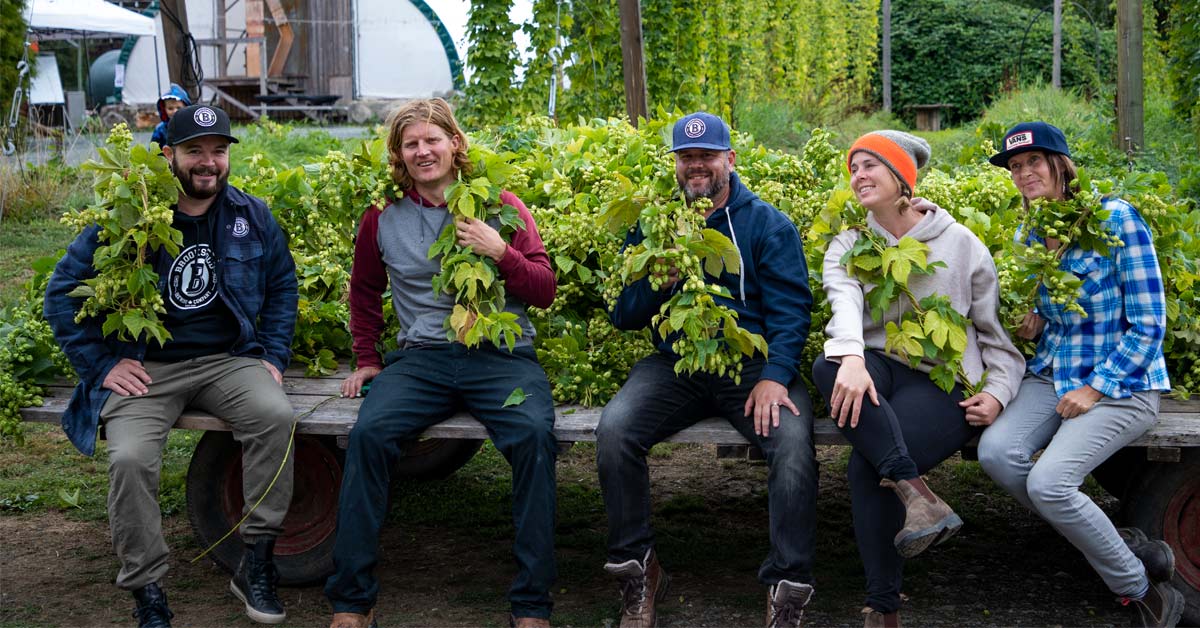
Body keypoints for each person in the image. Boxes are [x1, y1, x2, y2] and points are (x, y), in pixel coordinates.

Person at [44, 104, 299, 628]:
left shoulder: (251, 216)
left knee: (275, 417)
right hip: (147, 367)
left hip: (228, 360)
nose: (208, 162)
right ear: (168, 156)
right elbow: (61, 293)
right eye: (194, 152)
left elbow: (282, 287)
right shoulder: (129, 218)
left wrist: (272, 355)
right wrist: (101, 364)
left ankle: (255, 564)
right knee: (131, 459)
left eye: (218, 151)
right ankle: (148, 589)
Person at [324, 98, 559, 628]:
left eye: (433, 139)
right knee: (370, 435)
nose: (423, 151)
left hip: (502, 357)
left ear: (456, 144)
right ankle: (351, 601)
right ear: (399, 155)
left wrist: (502, 252)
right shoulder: (382, 216)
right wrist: (367, 357)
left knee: (533, 438)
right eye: (411, 144)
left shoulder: (500, 206)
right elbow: (364, 291)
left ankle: (531, 606)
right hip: (423, 359)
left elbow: (543, 290)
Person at [597, 111, 819, 628]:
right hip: (676, 364)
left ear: (729, 160)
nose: (696, 165)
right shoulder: (653, 224)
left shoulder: (766, 224)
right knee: (616, 430)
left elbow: (791, 312)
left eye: (707, 156)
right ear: (676, 163)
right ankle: (639, 568)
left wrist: (776, 375)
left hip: (751, 367)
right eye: (686, 157)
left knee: (790, 445)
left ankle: (788, 587)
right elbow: (624, 316)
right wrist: (657, 279)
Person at [811, 130, 1025, 627]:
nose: (858, 176)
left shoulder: (961, 244)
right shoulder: (851, 244)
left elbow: (996, 341)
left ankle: (883, 608)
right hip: (880, 372)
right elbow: (842, 302)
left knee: (868, 466)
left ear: (902, 177)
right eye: (853, 167)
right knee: (829, 365)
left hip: (945, 385)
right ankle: (918, 493)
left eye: (870, 165)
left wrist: (995, 394)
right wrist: (853, 357)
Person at [977, 121, 1183, 627]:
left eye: (1033, 162)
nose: (1024, 173)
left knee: (1050, 484)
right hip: (1054, 373)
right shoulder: (1031, 229)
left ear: (1060, 164)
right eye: (1015, 167)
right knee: (997, 454)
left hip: (1122, 382)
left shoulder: (1115, 218)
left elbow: (1150, 321)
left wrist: (1097, 388)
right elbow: (1061, 307)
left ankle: (1140, 590)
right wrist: (1038, 318)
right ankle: (1118, 546)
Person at [149, 84, 190, 150]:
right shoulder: (160, 129)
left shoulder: (191, 126)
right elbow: (153, 150)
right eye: (170, 108)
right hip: (166, 159)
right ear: (164, 109)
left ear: (186, 107)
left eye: (178, 108)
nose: (175, 111)